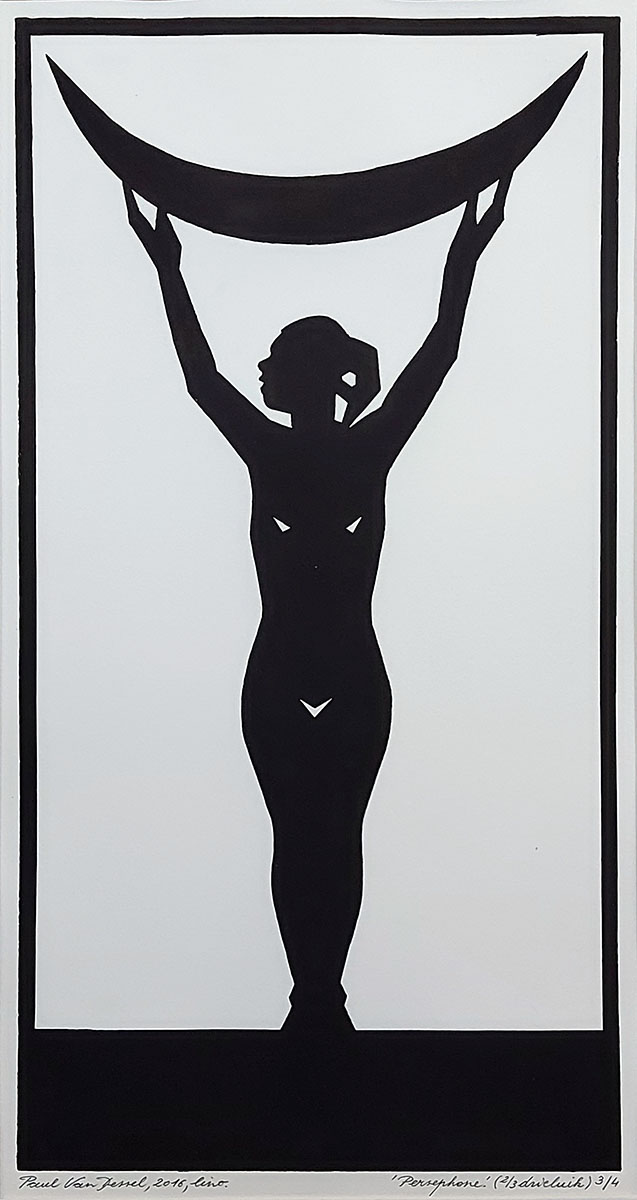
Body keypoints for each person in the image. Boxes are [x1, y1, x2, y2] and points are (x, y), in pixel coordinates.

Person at [123, 174, 513, 1032]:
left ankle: (323, 996)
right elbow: (201, 378)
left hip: (350, 676)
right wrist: (167, 268)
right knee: (295, 834)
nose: (274, 376)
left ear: (319, 377)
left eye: (288, 362)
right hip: (277, 676)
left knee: (335, 833)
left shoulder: (367, 449)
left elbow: (438, 354)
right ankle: (309, 996)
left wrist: (464, 254)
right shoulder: (270, 450)